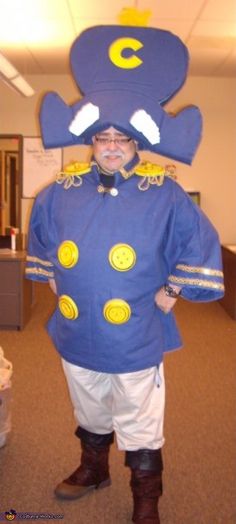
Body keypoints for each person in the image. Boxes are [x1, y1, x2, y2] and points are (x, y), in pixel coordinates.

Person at [25, 23, 224, 524]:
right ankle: (95, 468)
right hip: (77, 329)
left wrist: (174, 288)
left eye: (121, 137)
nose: (111, 145)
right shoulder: (61, 191)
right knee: (88, 405)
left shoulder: (165, 192)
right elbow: (43, 236)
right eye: (103, 137)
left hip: (135, 331)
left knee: (140, 416)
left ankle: (146, 496)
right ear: (92, 140)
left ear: (136, 142)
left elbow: (197, 241)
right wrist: (49, 271)